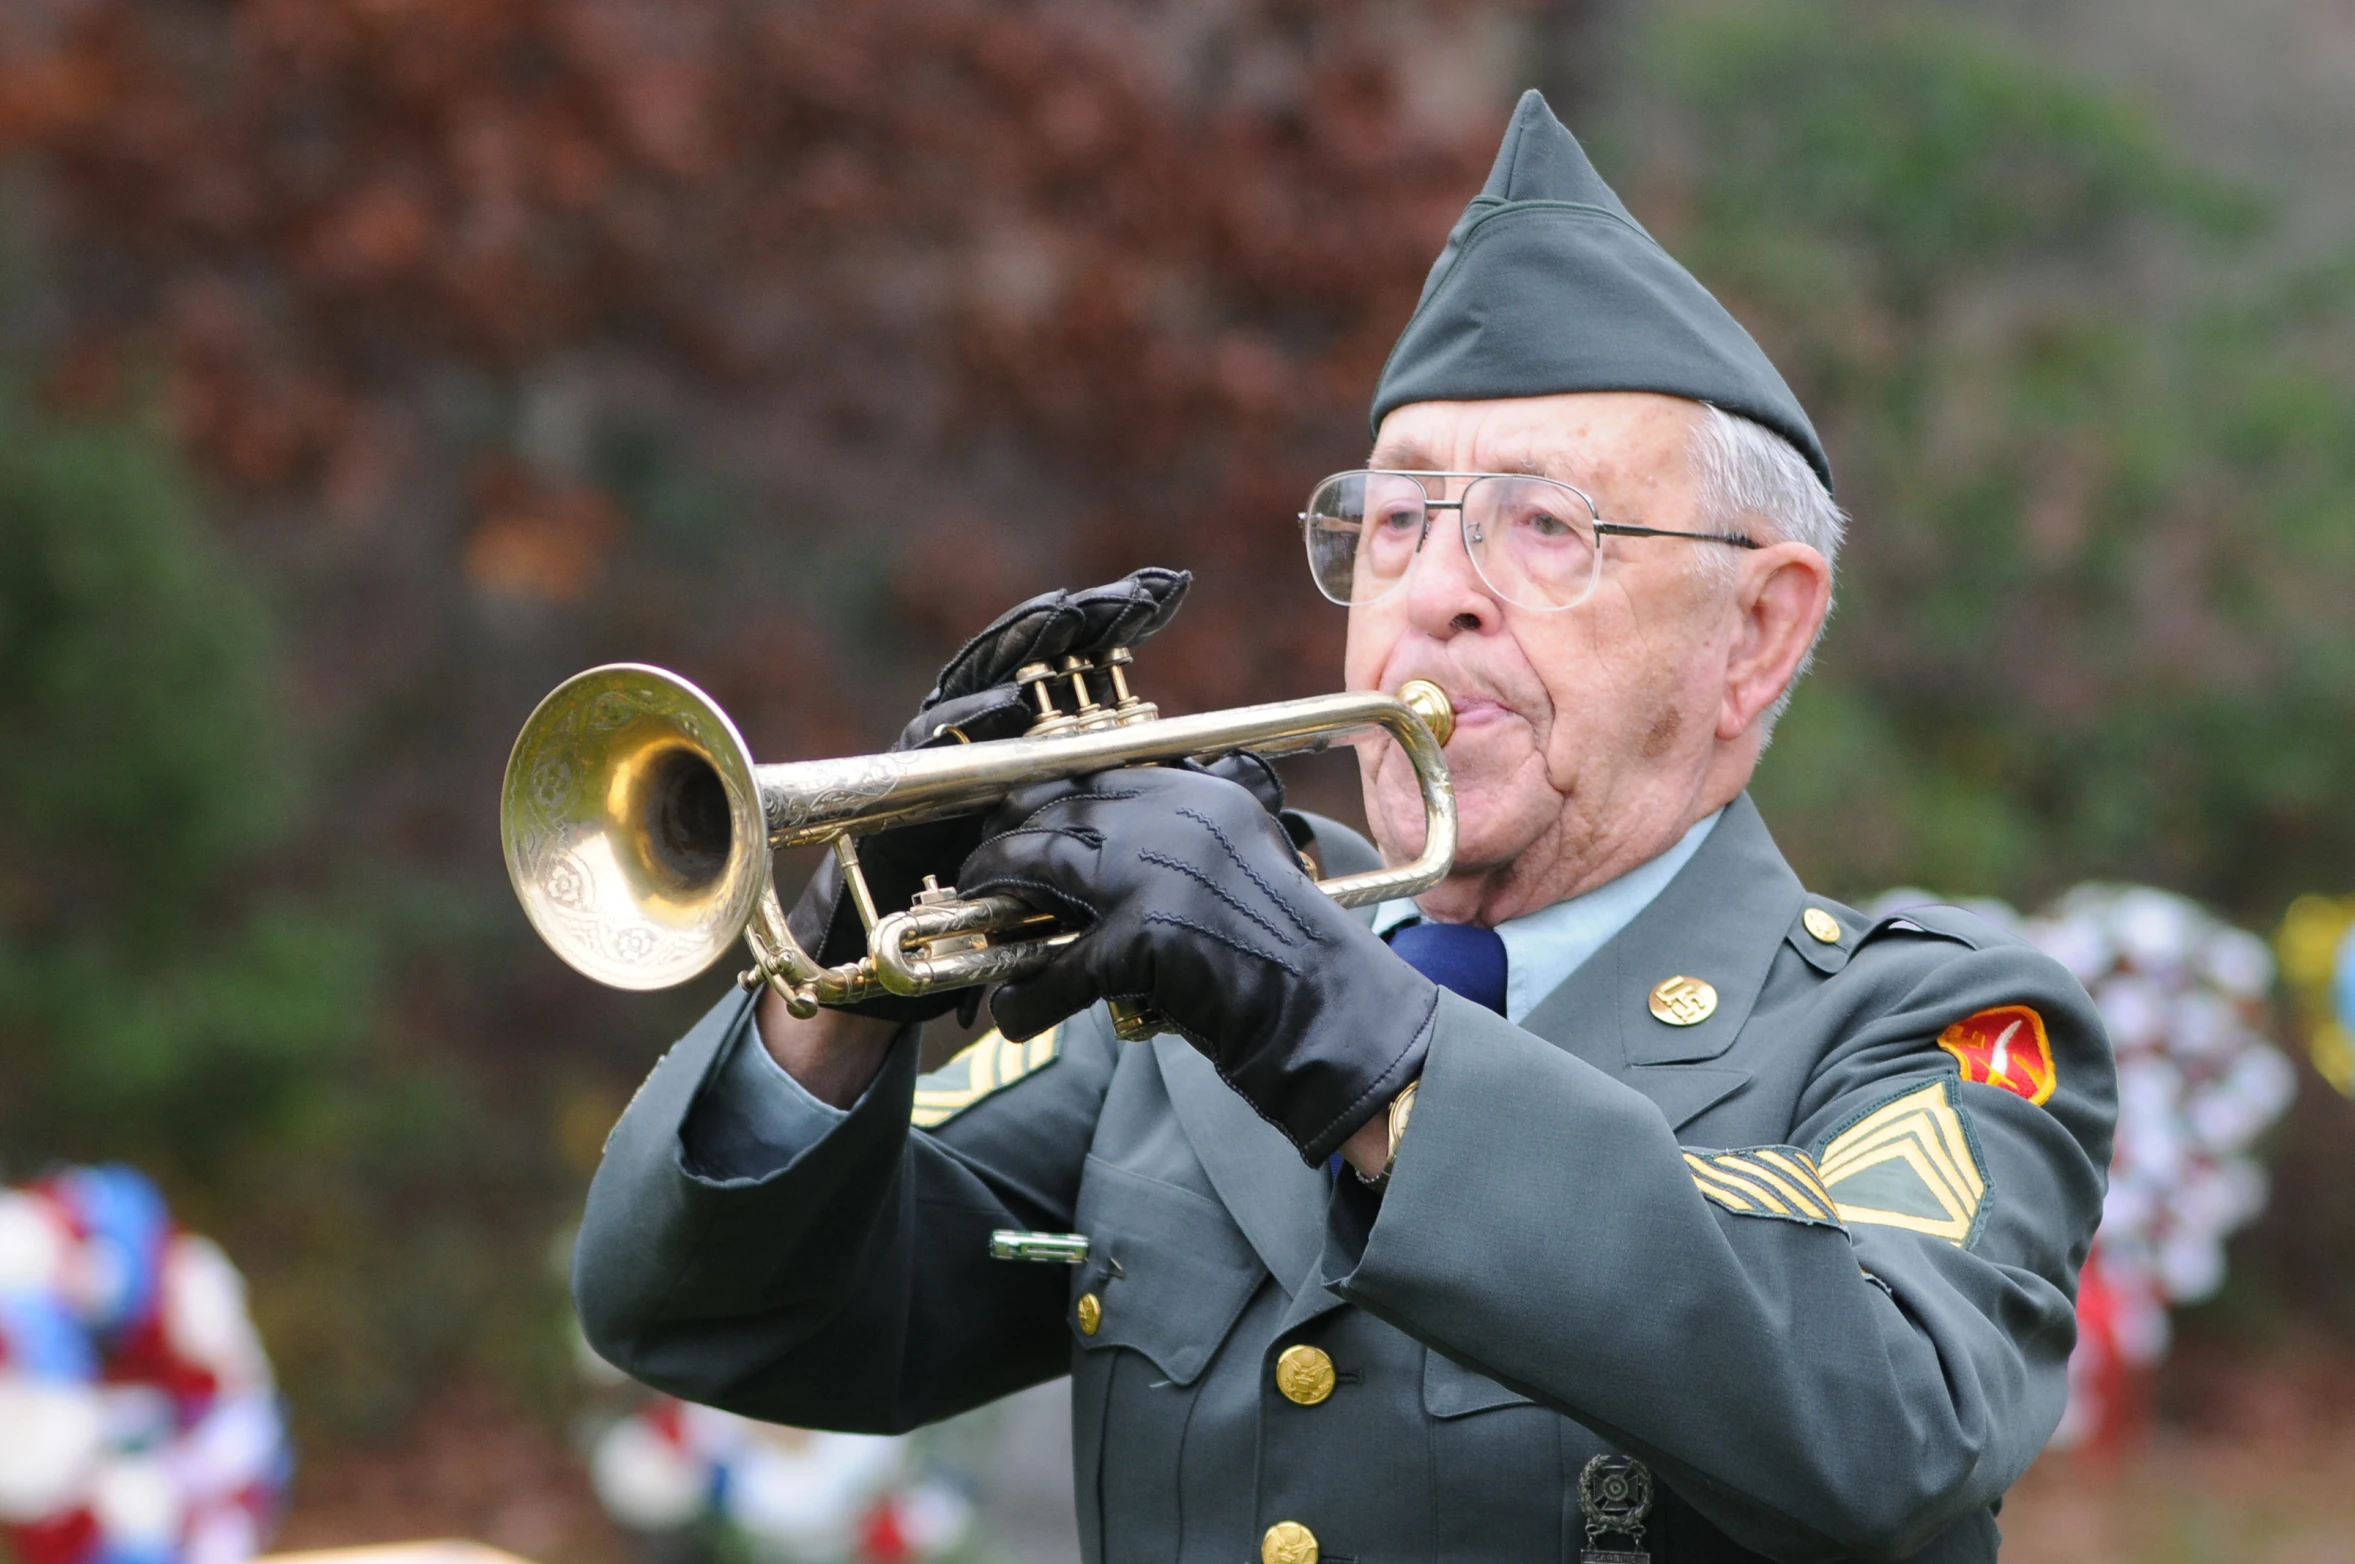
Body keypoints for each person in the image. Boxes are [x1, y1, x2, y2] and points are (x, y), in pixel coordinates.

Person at [573, 92, 2114, 1564]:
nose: (1433, 590)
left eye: (1544, 526)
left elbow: (1887, 1426)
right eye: (1391, 521)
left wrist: (1347, 1029)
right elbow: (712, 1318)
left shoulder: (1928, 1023)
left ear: (1758, 634)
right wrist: (846, 977)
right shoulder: (1168, 1041)